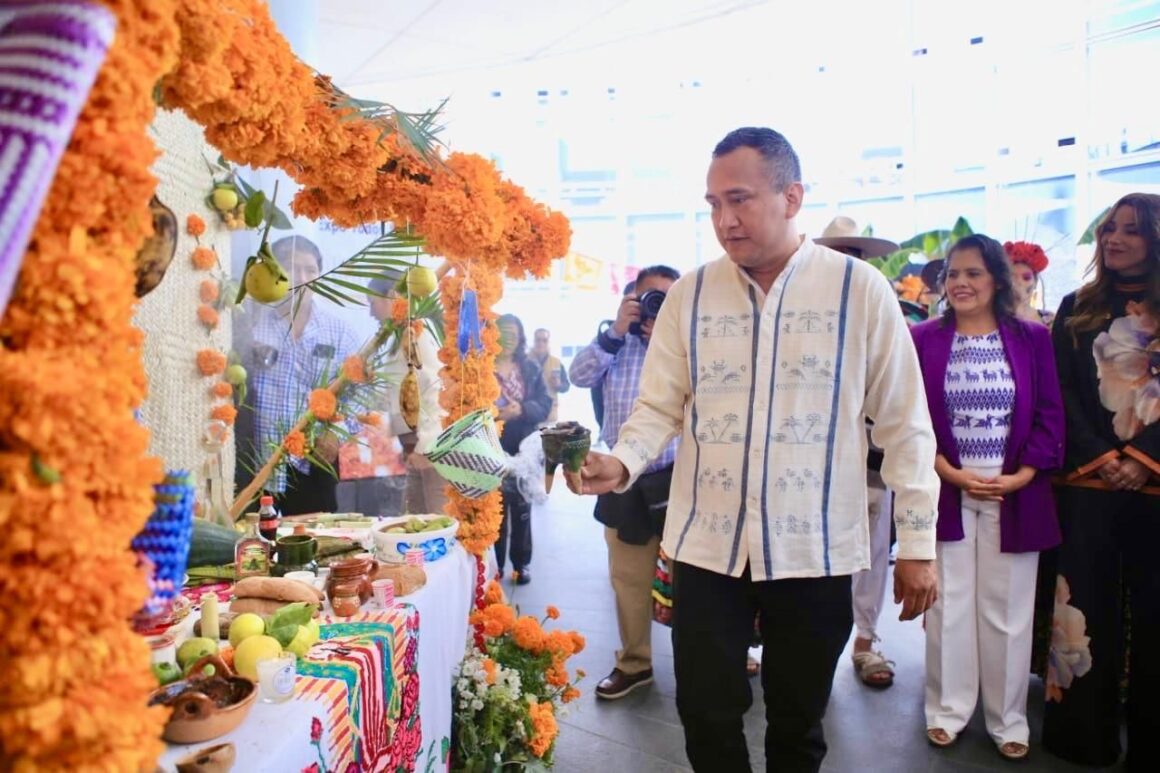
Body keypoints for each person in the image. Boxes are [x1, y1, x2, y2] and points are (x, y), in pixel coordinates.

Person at [578, 127, 940, 772]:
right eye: (714, 204)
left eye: (739, 199)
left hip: (815, 546)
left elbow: (905, 423)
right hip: (706, 545)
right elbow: (658, 404)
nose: (724, 219)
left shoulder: (860, 291)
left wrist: (916, 543)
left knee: (799, 721)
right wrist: (622, 461)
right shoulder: (691, 293)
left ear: (791, 196)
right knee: (706, 712)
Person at [911, 234, 1064, 761]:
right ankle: (947, 712)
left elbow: (1049, 414)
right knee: (947, 607)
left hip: (1015, 494)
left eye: (973, 273)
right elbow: (912, 423)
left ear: (997, 279)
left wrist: (1023, 475)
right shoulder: (923, 339)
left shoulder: (1030, 337)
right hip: (946, 490)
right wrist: (948, 471)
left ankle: (1008, 720)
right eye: (953, 274)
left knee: (1008, 611)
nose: (960, 283)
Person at [1043, 193, 1160, 770]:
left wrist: (1143, 457)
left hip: (1157, 485)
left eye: (1131, 231)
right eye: (1109, 229)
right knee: (1082, 614)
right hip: (1089, 485)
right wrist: (1102, 457)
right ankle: (1081, 739)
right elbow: (1061, 393)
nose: (1113, 239)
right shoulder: (1076, 306)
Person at [570, 265, 681, 700]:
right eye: (649, 298)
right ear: (632, 300)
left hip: (680, 482)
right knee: (628, 579)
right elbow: (577, 376)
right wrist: (616, 331)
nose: (657, 308)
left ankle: (710, 660)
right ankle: (635, 664)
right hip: (624, 482)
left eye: (668, 299)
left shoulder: (687, 344)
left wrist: (668, 340)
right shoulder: (614, 343)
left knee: (698, 581)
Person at [814, 215, 905, 689]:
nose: (847, 264)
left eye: (856, 256)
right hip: (812, 463)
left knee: (870, 552)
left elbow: (897, 395)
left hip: (872, 461)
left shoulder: (882, 309)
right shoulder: (802, 313)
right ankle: (794, 648)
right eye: (838, 253)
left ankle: (866, 641)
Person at [247, 235, 360, 515]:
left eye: (310, 270)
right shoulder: (250, 325)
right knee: (258, 546)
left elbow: (360, 392)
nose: (301, 277)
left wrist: (336, 433)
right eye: (292, 267)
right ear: (275, 271)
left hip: (314, 462)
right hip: (257, 462)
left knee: (316, 545)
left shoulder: (339, 332)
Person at [368, 273, 446, 514]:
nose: (371, 313)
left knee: (436, 526)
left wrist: (425, 448)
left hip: (430, 450)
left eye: (373, 303)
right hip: (414, 448)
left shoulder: (415, 336)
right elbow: (401, 394)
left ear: (392, 297)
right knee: (415, 523)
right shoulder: (398, 337)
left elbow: (433, 391)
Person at [494, 313, 551, 585]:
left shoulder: (528, 367)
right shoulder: (480, 368)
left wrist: (522, 409)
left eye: (513, 335)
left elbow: (544, 402)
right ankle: (495, 567)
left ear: (520, 338)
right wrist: (495, 415)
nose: (508, 340)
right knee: (494, 512)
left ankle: (521, 564)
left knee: (522, 508)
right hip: (491, 448)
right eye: (503, 334)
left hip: (524, 449)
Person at [1004, 240, 1055, 326]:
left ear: (1035, 283)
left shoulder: (1050, 320)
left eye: (1026, 278)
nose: (1019, 282)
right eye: (1012, 277)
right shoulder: (989, 319)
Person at [531, 328, 570, 424]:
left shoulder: (556, 362)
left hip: (550, 415)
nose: (541, 343)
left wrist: (559, 385)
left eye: (544, 340)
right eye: (538, 340)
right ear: (534, 341)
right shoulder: (525, 361)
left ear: (549, 342)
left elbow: (566, 386)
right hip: (529, 414)